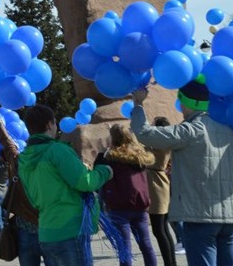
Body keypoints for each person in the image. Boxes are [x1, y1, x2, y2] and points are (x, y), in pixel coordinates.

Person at [131, 80, 233, 266]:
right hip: (230, 216)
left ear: (183, 102)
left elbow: (143, 133)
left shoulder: (190, 130)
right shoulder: (229, 130)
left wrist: (138, 104)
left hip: (199, 216)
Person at [18, 103, 112, 266]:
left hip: (47, 232)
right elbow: (85, 182)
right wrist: (104, 171)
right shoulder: (57, 150)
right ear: (49, 124)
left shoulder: (23, 158)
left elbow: (33, 199)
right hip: (70, 230)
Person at [95, 124, 158, 266]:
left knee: (125, 247)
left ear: (113, 139)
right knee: (146, 245)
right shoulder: (140, 157)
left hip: (119, 207)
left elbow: (97, 171)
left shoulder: (110, 157)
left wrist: (102, 151)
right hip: (140, 205)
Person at [0, 105, 41, 266]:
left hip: (25, 226)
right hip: (49, 226)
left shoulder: (19, 161)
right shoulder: (51, 161)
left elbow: (6, 141)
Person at [144, 118, 176, 266]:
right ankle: (171, 262)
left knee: (159, 230)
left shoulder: (157, 144)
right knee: (164, 228)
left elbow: (144, 148)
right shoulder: (166, 143)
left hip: (156, 183)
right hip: (161, 182)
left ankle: (169, 263)